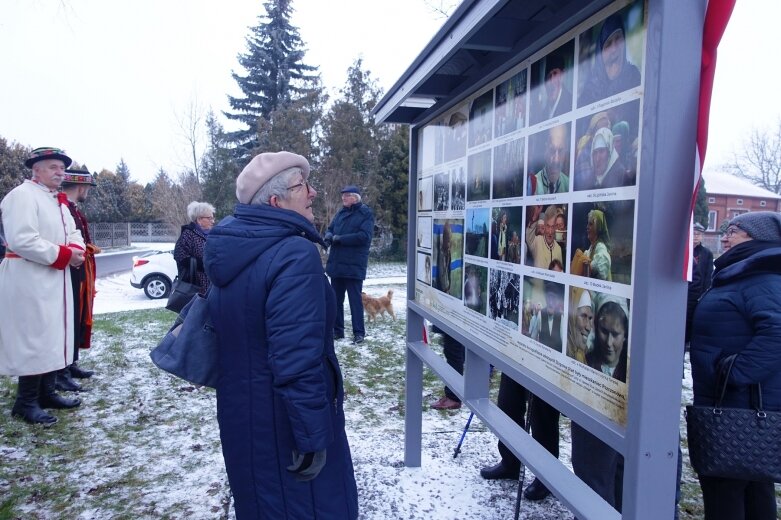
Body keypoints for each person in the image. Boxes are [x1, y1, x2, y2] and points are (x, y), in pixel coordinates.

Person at [204, 151, 358, 519]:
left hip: (243, 415)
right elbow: (297, 358)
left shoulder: (236, 250)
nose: (313, 192)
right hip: (285, 424)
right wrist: (313, 436)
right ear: (277, 202)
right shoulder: (293, 254)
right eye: (302, 185)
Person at [689, 211, 781, 520]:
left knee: (725, 490)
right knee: (753, 488)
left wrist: (735, 371)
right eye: (727, 230)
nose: (725, 237)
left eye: (735, 231)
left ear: (760, 239)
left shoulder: (761, 278)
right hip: (733, 404)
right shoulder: (740, 273)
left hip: (738, 406)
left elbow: (778, 333)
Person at [0, 147, 85, 426]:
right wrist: (64, 255)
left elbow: (74, 233)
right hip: (29, 278)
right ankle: (25, 402)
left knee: (52, 333)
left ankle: (47, 392)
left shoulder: (58, 202)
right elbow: (21, 239)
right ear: (35, 169)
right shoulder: (22, 196)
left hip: (53, 278)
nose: (59, 172)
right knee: (34, 336)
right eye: (52, 167)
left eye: (61, 168)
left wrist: (75, 249)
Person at [571, 292, 629, 515]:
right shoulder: (586, 359)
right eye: (604, 331)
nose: (610, 342)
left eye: (616, 334)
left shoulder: (628, 371)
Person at [55, 168, 100, 392]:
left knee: (77, 315)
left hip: (79, 268)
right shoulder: (63, 208)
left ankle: (70, 363)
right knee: (69, 316)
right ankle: (60, 371)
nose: (87, 193)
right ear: (82, 188)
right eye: (87, 189)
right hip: (69, 270)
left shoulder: (70, 208)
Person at [324, 185, 375, 345]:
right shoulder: (341, 212)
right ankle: (337, 331)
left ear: (355, 197)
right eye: (343, 196)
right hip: (337, 264)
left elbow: (364, 237)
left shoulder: (365, 213)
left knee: (355, 302)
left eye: (346, 196)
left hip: (353, 265)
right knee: (336, 301)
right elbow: (330, 228)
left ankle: (359, 333)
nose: (343, 199)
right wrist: (328, 236)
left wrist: (340, 239)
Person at [579, 12, 641, 107]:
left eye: (618, 39)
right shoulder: (590, 88)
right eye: (608, 44)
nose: (614, 49)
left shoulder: (633, 76)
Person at [173, 201, 215, 295]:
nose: (213, 221)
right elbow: (180, 256)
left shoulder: (212, 235)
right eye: (209, 218)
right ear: (199, 219)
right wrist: (203, 264)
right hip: (195, 287)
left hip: (212, 285)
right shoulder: (188, 234)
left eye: (213, 218)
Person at [686, 222, 713, 344]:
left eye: (699, 234)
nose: (696, 236)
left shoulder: (706, 253)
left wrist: (705, 292)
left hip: (698, 292)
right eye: (694, 233)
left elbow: (708, 274)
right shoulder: (685, 250)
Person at [430, 327, 465, 410]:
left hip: (457, 322)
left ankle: (453, 397)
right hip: (454, 320)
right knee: (452, 350)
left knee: (454, 352)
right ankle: (453, 394)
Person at [528, 124, 570, 195]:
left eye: (560, 151)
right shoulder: (533, 184)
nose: (556, 160)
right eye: (552, 150)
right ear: (545, 150)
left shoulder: (568, 184)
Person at [533, 51, 572, 124]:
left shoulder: (571, 103)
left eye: (555, 73)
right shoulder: (544, 111)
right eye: (548, 76)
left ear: (563, 74)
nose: (551, 80)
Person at [573, 209, 612, 281]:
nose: (587, 227)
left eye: (590, 224)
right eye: (587, 224)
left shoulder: (601, 247)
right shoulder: (592, 247)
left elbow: (600, 272)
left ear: (598, 228)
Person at [566, 288, 593, 364]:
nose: (588, 327)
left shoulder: (586, 357)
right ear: (572, 319)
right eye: (583, 316)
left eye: (590, 318)